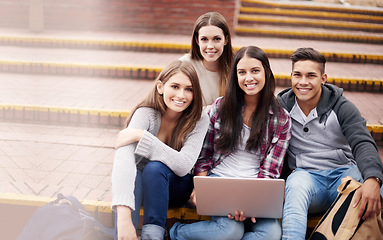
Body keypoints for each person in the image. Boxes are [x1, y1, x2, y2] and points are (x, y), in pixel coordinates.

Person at [170, 46, 292, 240]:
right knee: (230, 230)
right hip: (220, 181)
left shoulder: (281, 118)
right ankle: (176, 233)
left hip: (257, 187)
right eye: (241, 72)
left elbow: (271, 170)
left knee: (272, 234)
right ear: (235, 76)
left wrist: (253, 203)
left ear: (267, 73)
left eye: (255, 71)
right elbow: (204, 155)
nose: (248, 78)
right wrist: (199, 188)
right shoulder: (220, 107)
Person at [277, 47, 383, 239]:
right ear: (291, 76)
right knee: (295, 183)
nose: (303, 82)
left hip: (344, 177)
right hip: (308, 180)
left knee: (372, 182)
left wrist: (373, 178)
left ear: (323, 78)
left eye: (311, 75)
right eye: (298, 75)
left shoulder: (342, 106)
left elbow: (363, 142)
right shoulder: (281, 108)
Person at [111, 60, 209, 240]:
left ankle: (152, 236)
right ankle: (124, 233)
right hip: (142, 188)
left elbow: (183, 165)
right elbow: (123, 158)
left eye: (189, 89)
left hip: (177, 187)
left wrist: (142, 136)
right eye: (175, 86)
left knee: (154, 168)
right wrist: (124, 217)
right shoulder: (145, 113)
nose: (182, 95)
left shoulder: (199, 119)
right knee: (134, 174)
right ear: (160, 87)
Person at [180, 11, 234, 106]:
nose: (210, 46)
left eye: (217, 39)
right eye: (204, 39)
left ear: (226, 40)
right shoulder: (184, 65)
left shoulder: (236, 66)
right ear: (197, 40)